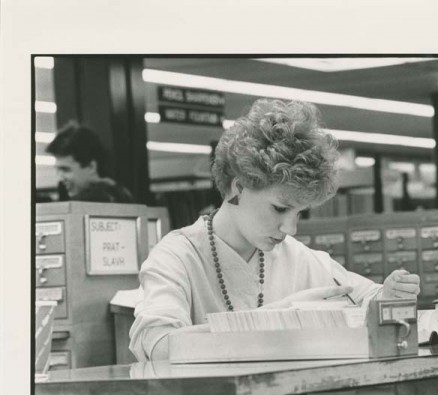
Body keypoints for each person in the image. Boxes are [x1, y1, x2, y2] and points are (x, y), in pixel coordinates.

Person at [129, 99, 420, 361]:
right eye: (280, 209)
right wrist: (277, 318)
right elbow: (157, 345)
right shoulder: (176, 257)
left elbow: (367, 297)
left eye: (299, 213)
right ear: (237, 187)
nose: (289, 229)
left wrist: (389, 296)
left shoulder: (295, 256)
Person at [46, 122, 134, 203]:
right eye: (58, 170)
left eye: (65, 169)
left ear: (91, 167)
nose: (60, 178)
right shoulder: (121, 193)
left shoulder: (89, 202)